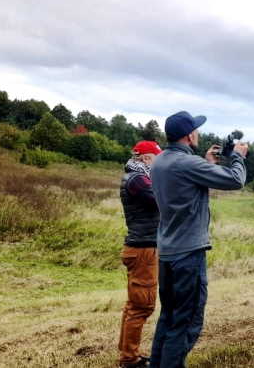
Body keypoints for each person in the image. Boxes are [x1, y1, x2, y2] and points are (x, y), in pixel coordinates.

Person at [149, 111, 248, 368]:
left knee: (169, 317)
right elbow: (235, 180)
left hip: (168, 252)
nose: (199, 133)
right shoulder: (188, 165)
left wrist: (207, 162)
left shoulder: (159, 162)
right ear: (190, 135)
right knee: (186, 322)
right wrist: (237, 156)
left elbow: (187, 185)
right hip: (187, 255)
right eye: (197, 129)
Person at [117, 140, 162, 368]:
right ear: (146, 158)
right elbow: (160, 201)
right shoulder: (138, 180)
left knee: (133, 305)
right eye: (157, 158)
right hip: (143, 248)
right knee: (141, 306)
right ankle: (129, 360)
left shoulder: (136, 176)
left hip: (141, 247)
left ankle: (128, 354)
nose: (160, 163)